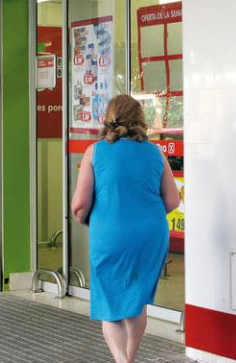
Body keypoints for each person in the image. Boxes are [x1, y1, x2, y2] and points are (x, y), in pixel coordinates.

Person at [71, 94, 181, 363]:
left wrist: (85, 218)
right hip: (150, 236)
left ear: (108, 118)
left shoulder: (95, 152)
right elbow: (172, 201)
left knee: (111, 305)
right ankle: (129, 359)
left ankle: (122, 360)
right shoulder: (155, 152)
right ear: (139, 120)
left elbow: (80, 205)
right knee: (136, 300)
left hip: (110, 234)